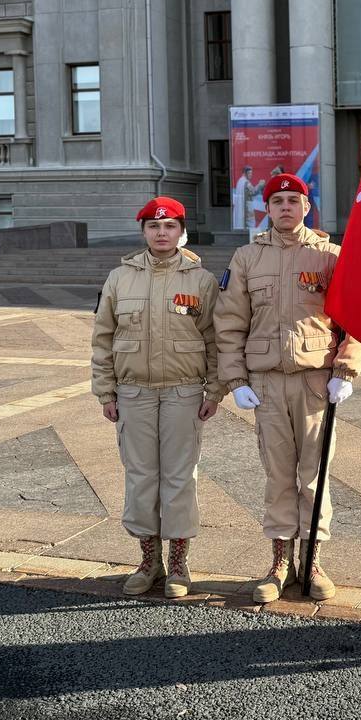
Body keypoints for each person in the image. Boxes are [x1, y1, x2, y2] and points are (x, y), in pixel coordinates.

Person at [214, 173, 361, 603]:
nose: (285, 207)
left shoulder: (330, 256)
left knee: (313, 475)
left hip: (317, 381)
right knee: (278, 474)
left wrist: (346, 371)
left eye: (293, 201)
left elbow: (355, 318)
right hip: (265, 383)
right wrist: (237, 380)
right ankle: (280, 563)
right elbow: (229, 324)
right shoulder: (246, 258)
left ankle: (312, 560)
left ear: (307, 208)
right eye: (277, 200)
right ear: (267, 208)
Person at [90, 196, 225, 598]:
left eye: (169, 227)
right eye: (153, 226)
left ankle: (180, 565)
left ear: (182, 232)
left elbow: (215, 340)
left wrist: (215, 390)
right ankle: (150, 562)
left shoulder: (201, 281)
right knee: (141, 477)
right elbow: (102, 338)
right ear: (144, 232)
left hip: (184, 392)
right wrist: (105, 391)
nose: (161, 233)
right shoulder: (120, 278)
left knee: (180, 478)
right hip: (134, 393)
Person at [233, 166, 255, 230]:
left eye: (251, 173)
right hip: (248, 205)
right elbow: (253, 191)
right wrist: (260, 185)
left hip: (242, 205)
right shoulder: (246, 182)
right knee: (251, 222)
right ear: (246, 173)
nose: (251, 175)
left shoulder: (240, 181)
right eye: (250, 173)